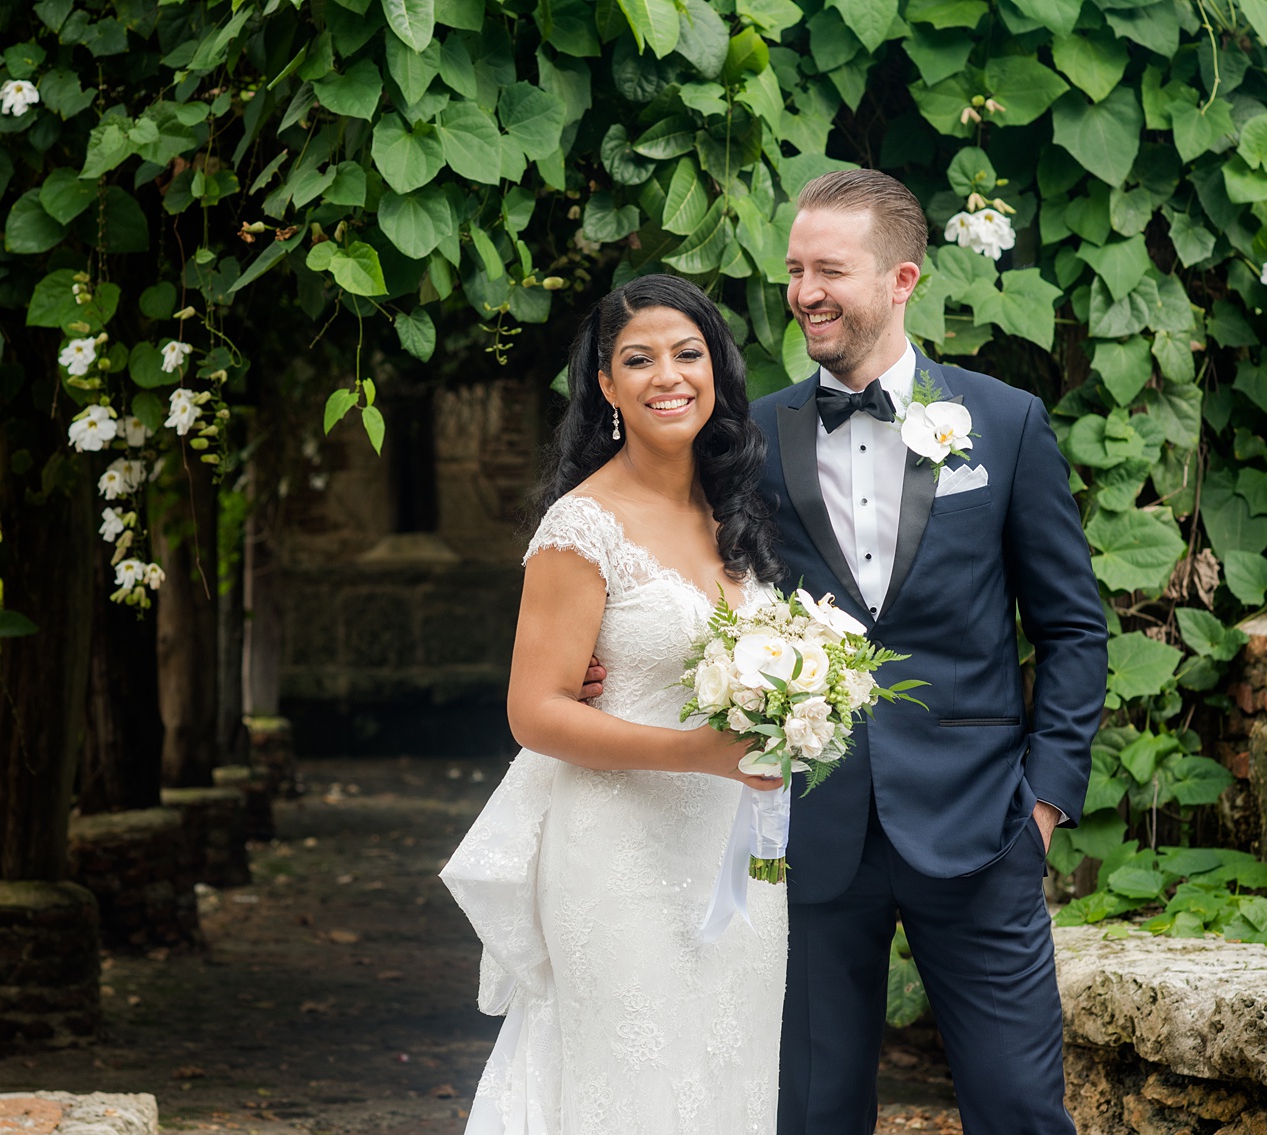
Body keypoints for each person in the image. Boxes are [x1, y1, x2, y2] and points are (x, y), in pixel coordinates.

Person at [752, 169, 1108, 1134]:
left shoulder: (1004, 421)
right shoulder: (752, 435)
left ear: (902, 278)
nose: (805, 291)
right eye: (794, 269)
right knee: (814, 1115)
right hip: (816, 829)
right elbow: (706, 594)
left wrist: (1040, 802)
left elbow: (1072, 625)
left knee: (1021, 1109)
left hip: (980, 823)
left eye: (831, 268)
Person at [440, 274, 792, 1134]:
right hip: (616, 857)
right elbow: (534, 712)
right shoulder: (580, 524)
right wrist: (701, 753)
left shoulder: (733, 513)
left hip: (733, 855)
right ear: (606, 386)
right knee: (629, 1088)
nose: (667, 375)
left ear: (716, 369)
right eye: (638, 359)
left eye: (687, 353)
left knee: (725, 1077)